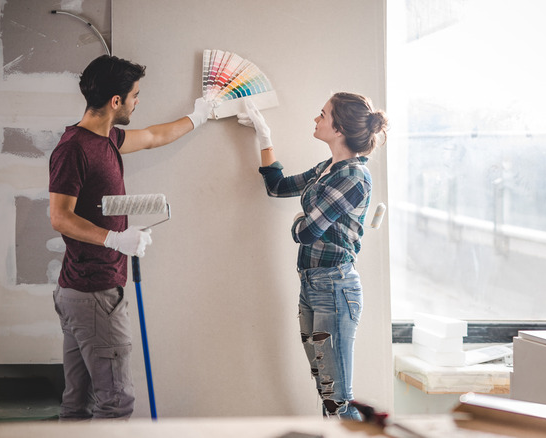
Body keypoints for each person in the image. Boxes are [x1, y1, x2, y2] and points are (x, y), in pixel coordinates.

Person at [48, 54, 212, 420]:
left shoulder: (106, 139)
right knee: (116, 403)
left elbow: (154, 136)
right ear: (116, 101)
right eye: (135, 95)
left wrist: (201, 115)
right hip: (94, 294)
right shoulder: (74, 148)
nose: (139, 101)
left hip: (82, 291)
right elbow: (59, 216)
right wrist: (114, 240)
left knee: (78, 405)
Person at [237, 92, 389, 420]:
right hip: (311, 285)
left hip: (335, 288)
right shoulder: (327, 168)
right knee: (327, 391)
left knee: (338, 400)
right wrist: (264, 136)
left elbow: (307, 232)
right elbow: (276, 186)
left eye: (322, 114)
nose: (315, 119)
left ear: (339, 129)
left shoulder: (353, 177)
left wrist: (297, 224)